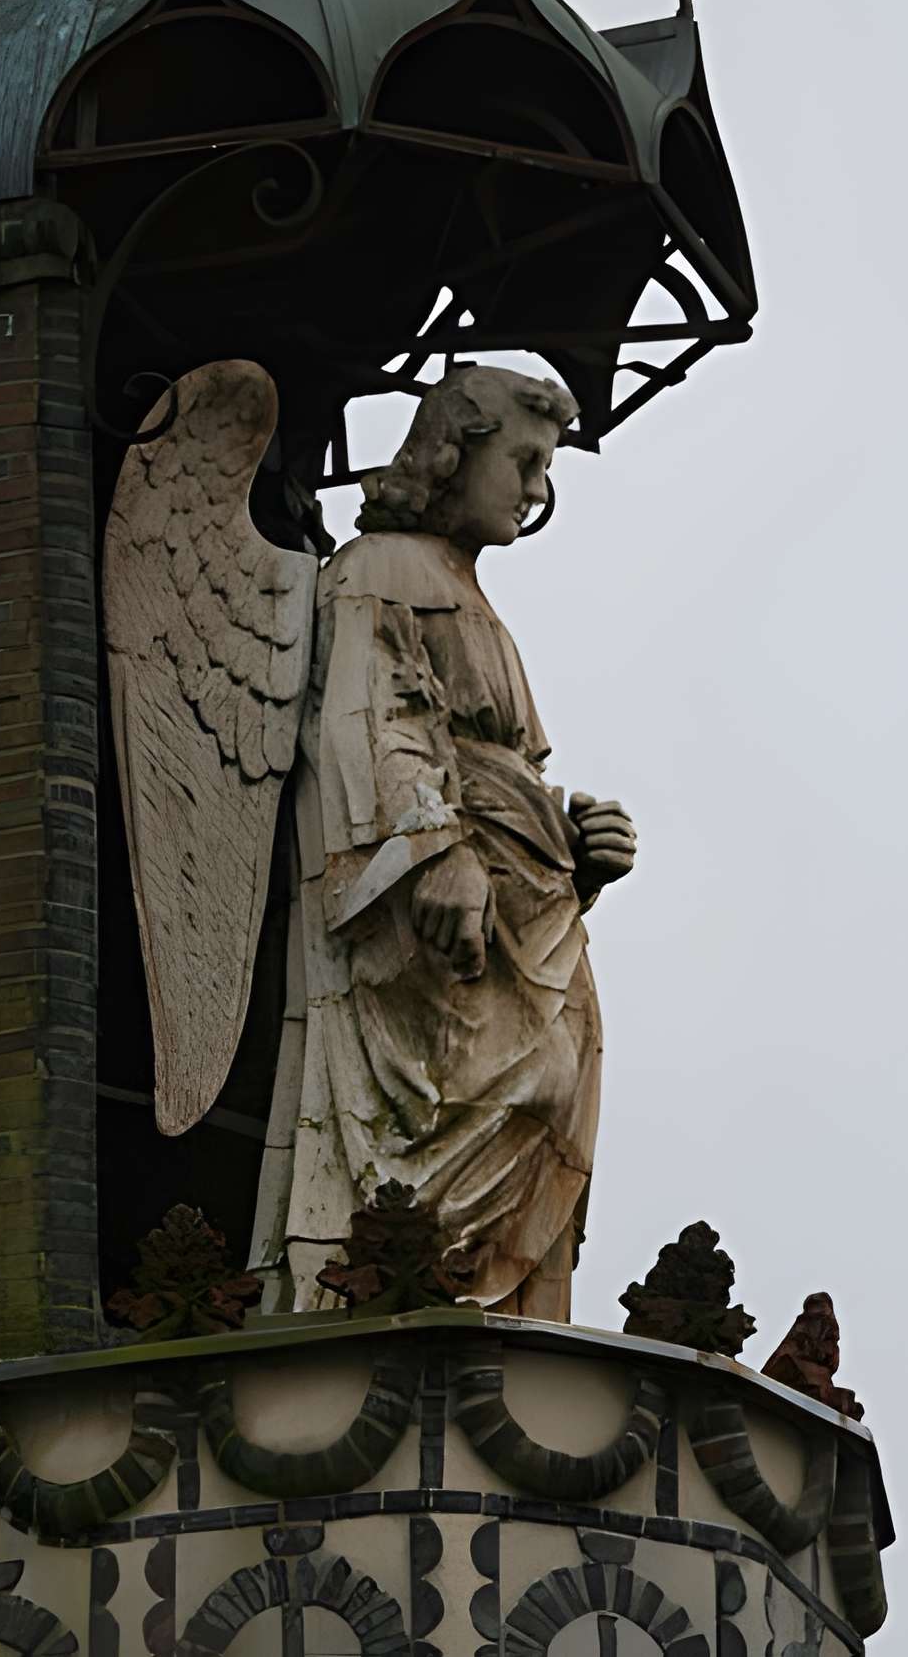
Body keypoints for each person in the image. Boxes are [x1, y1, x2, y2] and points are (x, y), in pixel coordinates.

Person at [263, 367, 636, 1319]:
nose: (536, 489)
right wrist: (439, 852)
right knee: (483, 1105)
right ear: (453, 450)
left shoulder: (469, 594)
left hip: (528, 916)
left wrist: (573, 852)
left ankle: (491, 1312)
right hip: (444, 925)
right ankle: (416, 1293)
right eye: (521, 460)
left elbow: (499, 761)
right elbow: (369, 723)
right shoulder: (379, 569)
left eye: (545, 468)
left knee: (552, 1089)